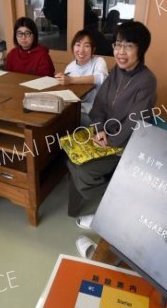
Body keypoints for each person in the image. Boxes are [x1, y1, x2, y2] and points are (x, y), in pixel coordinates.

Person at [67, 21, 157, 252]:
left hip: (127, 144)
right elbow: (100, 107)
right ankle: (92, 208)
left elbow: (136, 120)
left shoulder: (147, 80)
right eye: (117, 45)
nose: (120, 52)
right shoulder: (115, 71)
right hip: (105, 135)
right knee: (71, 158)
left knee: (84, 169)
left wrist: (111, 140)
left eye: (128, 46)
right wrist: (99, 129)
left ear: (141, 49)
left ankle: (110, 210)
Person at [55, 30, 109, 126]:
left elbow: (101, 78)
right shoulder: (70, 67)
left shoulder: (98, 61)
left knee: (64, 122)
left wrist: (71, 80)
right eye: (78, 45)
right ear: (73, 47)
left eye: (87, 46)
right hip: (76, 109)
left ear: (93, 49)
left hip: (96, 111)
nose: (81, 50)